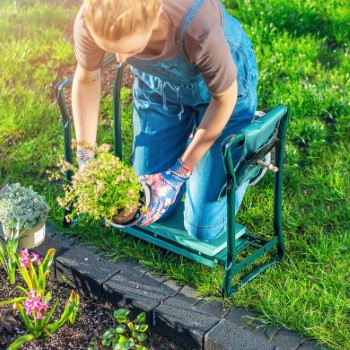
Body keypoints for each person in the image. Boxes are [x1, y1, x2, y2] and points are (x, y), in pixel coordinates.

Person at [72, 0, 258, 242]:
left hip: (221, 94)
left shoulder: (196, 25)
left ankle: (254, 149)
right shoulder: (94, 16)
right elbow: (86, 79)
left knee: (204, 230)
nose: (120, 59)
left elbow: (224, 99)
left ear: (155, 14)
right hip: (158, 89)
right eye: (111, 49)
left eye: (128, 48)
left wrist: (179, 173)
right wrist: (85, 155)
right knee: (147, 205)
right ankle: (198, 138)